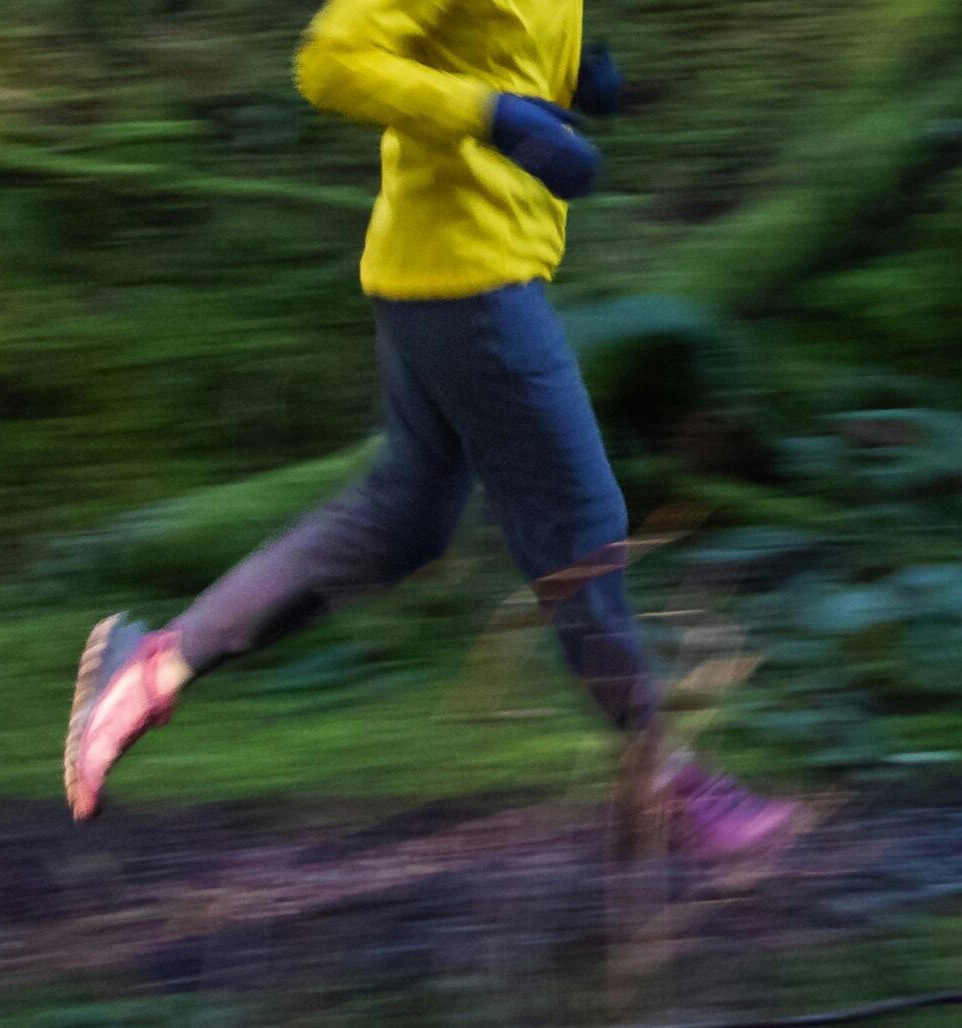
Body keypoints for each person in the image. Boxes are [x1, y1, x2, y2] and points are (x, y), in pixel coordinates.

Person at [63, 0, 797, 858]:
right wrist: (495, 115)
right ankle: (671, 789)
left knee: (403, 518)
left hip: (449, 271)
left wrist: (568, 80)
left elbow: (489, 38)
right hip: (469, 282)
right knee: (579, 529)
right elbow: (331, 61)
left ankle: (151, 670)